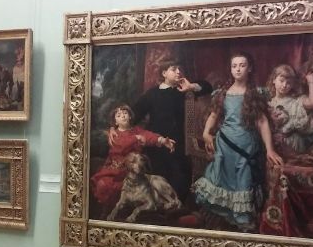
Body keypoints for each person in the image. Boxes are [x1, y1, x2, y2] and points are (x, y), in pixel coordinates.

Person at [192, 52, 283, 232]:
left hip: (246, 145)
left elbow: (262, 122)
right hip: (225, 144)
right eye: (234, 66)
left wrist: (270, 150)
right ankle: (225, 218)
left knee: (243, 179)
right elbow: (214, 115)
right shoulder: (223, 93)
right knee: (222, 178)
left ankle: (242, 220)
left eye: (242, 65)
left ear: (249, 68)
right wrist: (206, 133)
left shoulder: (254, 94)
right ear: (231, 69)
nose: (238, 69)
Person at [109, 58, 212, 202]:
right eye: (173, 69)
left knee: (180, 181)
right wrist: (114, 127)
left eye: (179, 69)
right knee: (155, 181)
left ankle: (174, 206)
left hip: (179, 145)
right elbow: (133, 114)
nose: (178, 72)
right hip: (155, 145)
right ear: (164, 73)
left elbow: (207, 87)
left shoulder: (184, 91)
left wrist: (191, 86)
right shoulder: (153, 94)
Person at [91, 104, 175, 215]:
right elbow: (121, 145)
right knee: (104, 184)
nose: (123, 116)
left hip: (131, 170)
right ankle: (109, 212)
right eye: (119, 115)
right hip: (113, 170)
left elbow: (149, 136)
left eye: (125, 113)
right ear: (115, 121)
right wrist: (135, 138)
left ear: (130, 116)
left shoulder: (137, 130)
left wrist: (163, 140)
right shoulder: (114, 134)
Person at [267, 64, 313, 154]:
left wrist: (310, 80)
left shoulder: (297, 101)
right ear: (274, 80)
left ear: (293, 85)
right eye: (281, 81)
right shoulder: (268, 103)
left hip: (293, 144)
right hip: (274, 145)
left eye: (289, 83)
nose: (284, 85)